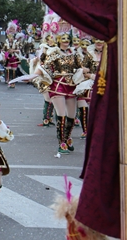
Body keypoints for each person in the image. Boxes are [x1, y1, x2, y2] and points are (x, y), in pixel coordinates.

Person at [31, 14, 88, 155]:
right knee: (61, 115)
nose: (66, 41)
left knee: (71, 116)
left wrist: (91, 72)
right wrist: (33, 75)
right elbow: (43, 67)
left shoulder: (74, 54)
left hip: (72, 86)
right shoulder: (53, 53)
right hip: (58, 86)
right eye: (63, 39)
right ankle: (61, 142)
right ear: (58, 40)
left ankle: (68, 138)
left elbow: (82, 67)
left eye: (67, 39)